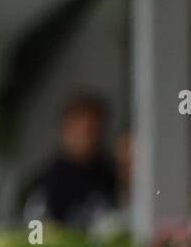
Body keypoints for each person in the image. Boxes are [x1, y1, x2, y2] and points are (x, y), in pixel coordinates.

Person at [22, 91, 119, 229]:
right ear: (65, 130)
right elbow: (34, 235)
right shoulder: (46, 185)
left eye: (93, 131)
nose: (87, 139)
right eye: (81, 131)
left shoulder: (111, 176)